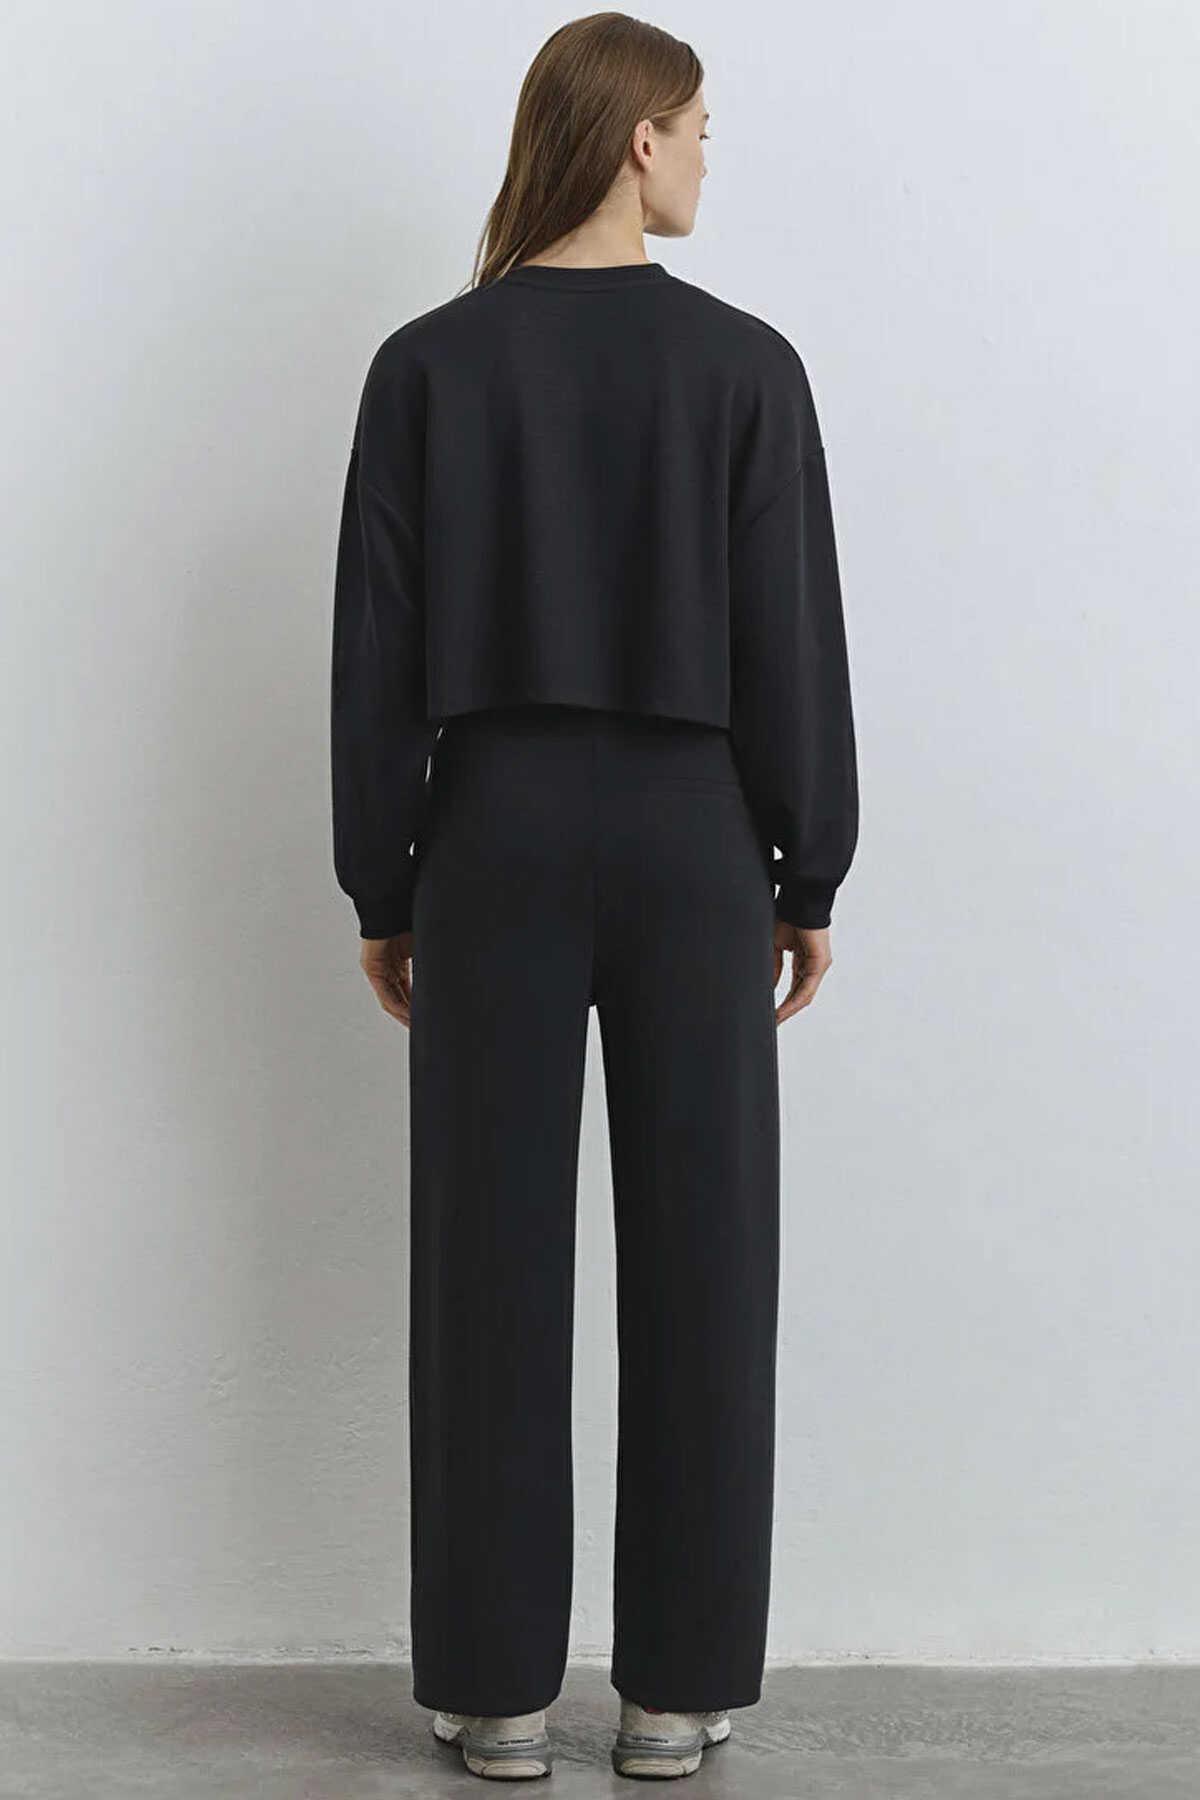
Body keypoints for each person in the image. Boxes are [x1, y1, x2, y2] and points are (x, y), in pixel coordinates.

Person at [330, 11, 859, 1782]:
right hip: (696, 838)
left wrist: (384, 877)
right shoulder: (746, 368)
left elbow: (377, 650)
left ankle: (493, 1692)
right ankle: (675, 1692)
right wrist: (808, 863)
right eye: (698, 127)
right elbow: (789, 636)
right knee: (709, 1256)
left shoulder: (428, 365)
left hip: (493, 835)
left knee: (484, 1258)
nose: (708, 155)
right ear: (638, 138)